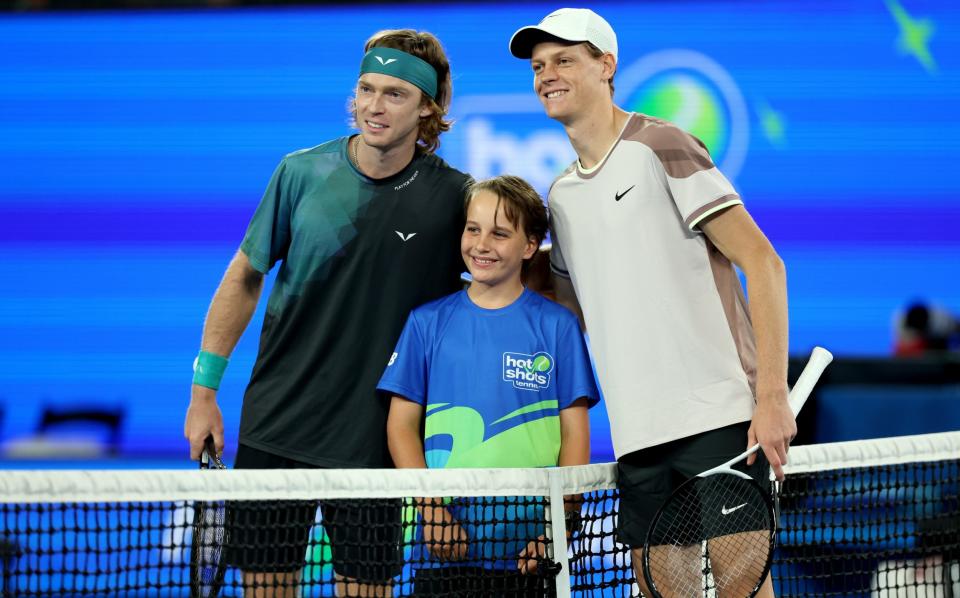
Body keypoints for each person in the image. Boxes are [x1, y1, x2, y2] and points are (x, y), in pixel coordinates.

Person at [509, 9, 794, 597]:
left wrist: (770, 397)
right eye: (539, 66)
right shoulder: (560, 195)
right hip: (637, 437)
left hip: (719, 419)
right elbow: (575, 315)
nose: (547, 75)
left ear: (605, 66)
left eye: (564, 60)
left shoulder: (660, 144)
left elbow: (764, 262)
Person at [183, 29, 471, 598]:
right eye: (366, 88)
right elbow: (244, 276)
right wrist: (203, 393)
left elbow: (500, 288)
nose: (373, 106)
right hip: (277, 428)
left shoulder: (457, 198)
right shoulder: (300, 173)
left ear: (428, 108)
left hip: (378, 443)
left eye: (394, 94)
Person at [378, 175, 600, 597]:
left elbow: (575, 435)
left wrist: (559, 527)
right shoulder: (426, 323)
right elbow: (401, 427)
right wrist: (431, 512)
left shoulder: (558, 327)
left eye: (500, 234)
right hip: (442, 550)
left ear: (530, 246)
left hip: (532, 553)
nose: (481, 245)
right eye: (473, 229)